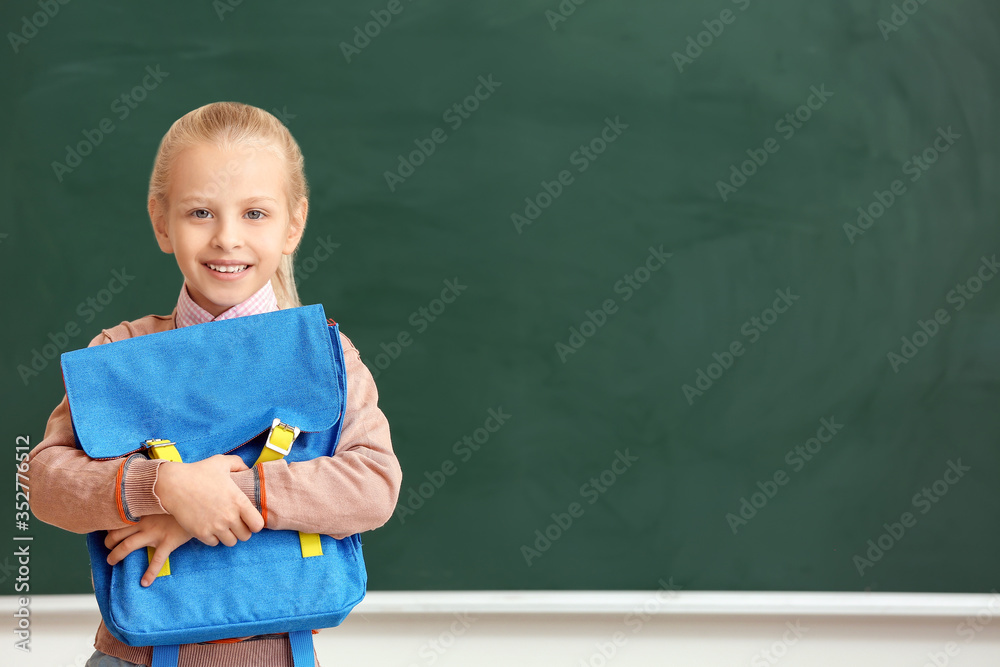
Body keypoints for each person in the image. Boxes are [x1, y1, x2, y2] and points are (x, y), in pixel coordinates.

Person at [27, 101, 403, 667]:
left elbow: (373, 483)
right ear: (161, 221)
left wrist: (223, 500)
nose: (227, 238)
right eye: (200, 212)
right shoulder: (120, 352)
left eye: (255, 214)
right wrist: (168, 487)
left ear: (293, 225)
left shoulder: (325, 354)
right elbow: (47, 481)